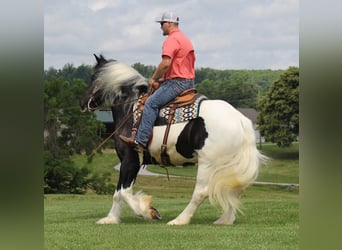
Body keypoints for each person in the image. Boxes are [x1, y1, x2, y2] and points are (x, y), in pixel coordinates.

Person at [119, 11, 196, 151]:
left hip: (176, 83)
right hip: (187, 81)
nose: (161, 27)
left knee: (151, 103)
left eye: (162, 23)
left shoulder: (172, 39)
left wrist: (153, 78)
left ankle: (140, 141)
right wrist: (163, 79)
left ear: (169, 24)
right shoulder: (184, 38)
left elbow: (166, 63)